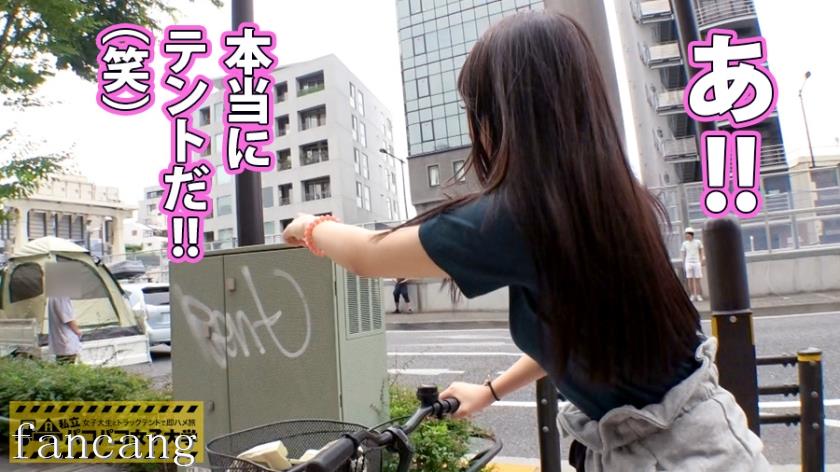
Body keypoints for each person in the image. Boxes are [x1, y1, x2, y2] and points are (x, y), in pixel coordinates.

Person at [284, 12, 768, 471]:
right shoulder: (612, 201)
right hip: (708, 441)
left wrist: (308, 225)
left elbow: (368, 255)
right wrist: (490, 391)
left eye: (475, 110)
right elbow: (578, 335)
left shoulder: (520, 216)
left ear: (503, 113)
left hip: (668, 458)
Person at [48, 296, 82, 364]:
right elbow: (68, 318)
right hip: (66, 341)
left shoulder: (53, 296)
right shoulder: (61, 296)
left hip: (61, 341)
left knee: (62, 363)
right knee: (67, 364)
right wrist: (78, 331)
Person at [681, 227, 705, 301]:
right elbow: (683, 253)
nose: (686, 236)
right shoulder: (684, 243)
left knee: (697, 279)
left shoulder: (698, 242)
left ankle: (698, 295)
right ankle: (692, 295)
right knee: (689, 279)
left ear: (691, 234)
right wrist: (683, 262)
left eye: (687, 234)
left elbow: (701, 251)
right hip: (688, 262)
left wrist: (702, 260)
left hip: (697, 262)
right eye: (686, 234)